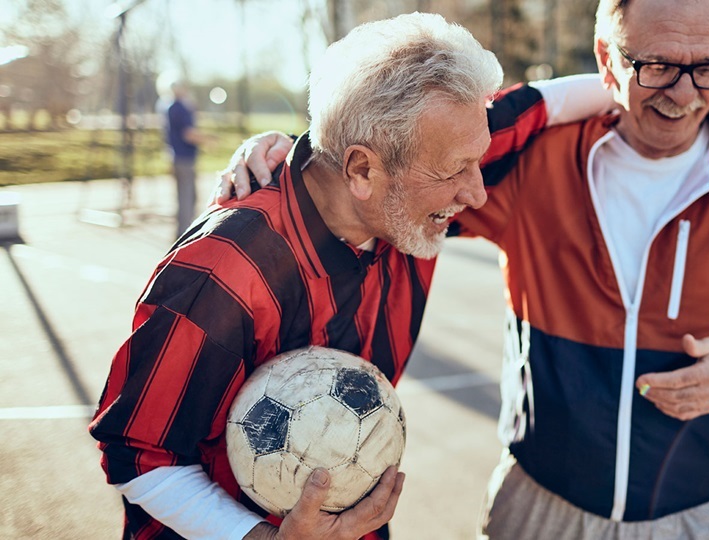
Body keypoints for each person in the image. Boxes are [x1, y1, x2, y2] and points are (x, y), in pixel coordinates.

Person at [228, 0, 709, 538]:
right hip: (539, 510)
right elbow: (397, 164)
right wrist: (296, 152)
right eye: (657, 65)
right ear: (607, 58)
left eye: (708, 66)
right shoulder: (536, 160)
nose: (683, 93)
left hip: (694, 516)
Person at [90, 14, 504, 540]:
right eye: (454, 171)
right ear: (361, 171)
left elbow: (580, 99)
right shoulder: (224, 269)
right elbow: (137, 455)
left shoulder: (421, 181)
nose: (477, 193)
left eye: (479, 161)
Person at [156, 74, 210, 237]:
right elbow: (189, 134)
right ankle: (186, 234)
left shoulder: (168, 106)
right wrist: (208, 139)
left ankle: (182, 231)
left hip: (175, 156)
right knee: (188, 199)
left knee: (183, 197)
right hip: (184, 158)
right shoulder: (180, 108)